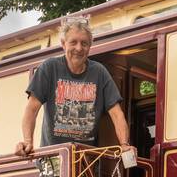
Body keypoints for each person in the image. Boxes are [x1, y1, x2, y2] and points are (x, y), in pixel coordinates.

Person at [15, 16, 135, 160]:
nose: (79, 48)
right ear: (63, 44)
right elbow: (32, 108)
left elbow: (117, 113)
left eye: (84, 43)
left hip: (87, 162)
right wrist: (28, 142)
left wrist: (124, 144)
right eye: (73, 42)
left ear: (90, 46)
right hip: (54, 161)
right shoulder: (49, 68)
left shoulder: (99, 72)